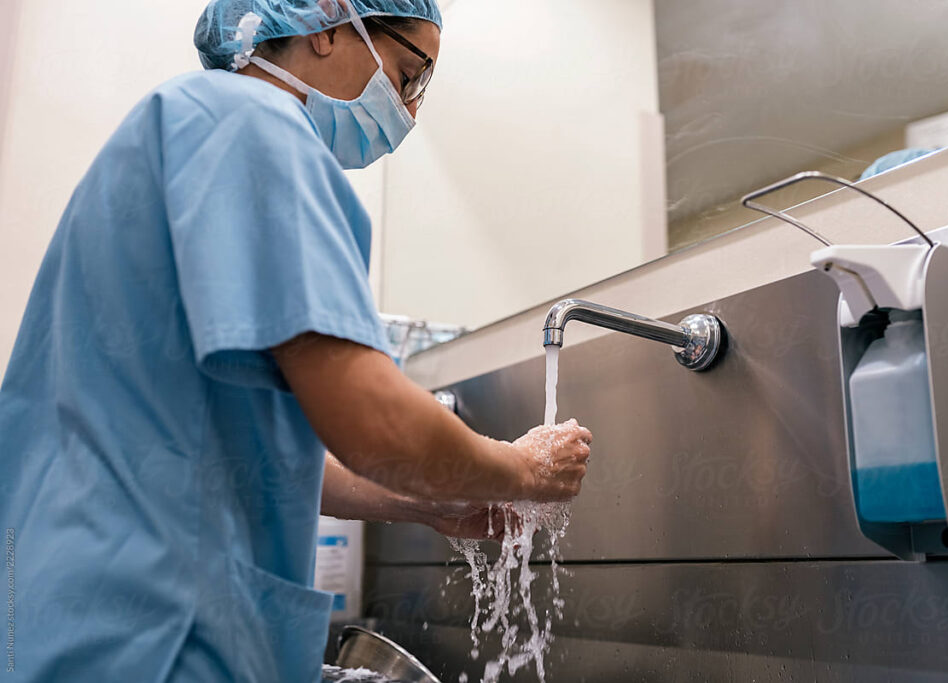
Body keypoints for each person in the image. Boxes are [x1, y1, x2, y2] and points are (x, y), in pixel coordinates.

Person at [0, 0, 593, 680]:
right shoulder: (254, 124)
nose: (410, 111)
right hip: (149, 629)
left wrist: (431, 502)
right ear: (330, 26)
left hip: (69, 611)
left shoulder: (189, 126)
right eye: (410, 75)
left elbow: (248, 456)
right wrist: (523, 470)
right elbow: (371, 420)